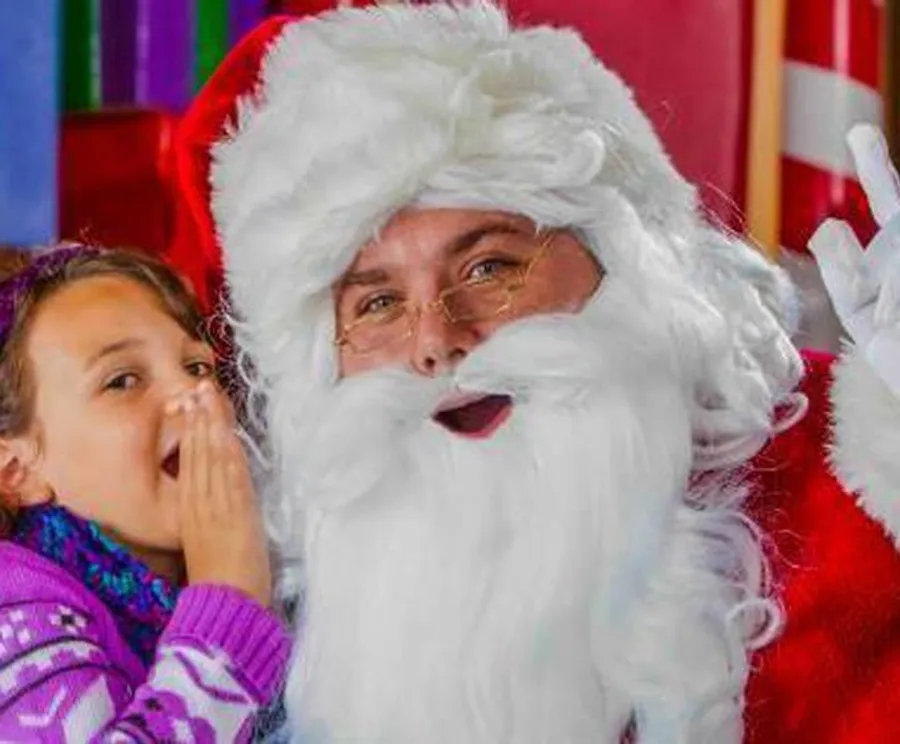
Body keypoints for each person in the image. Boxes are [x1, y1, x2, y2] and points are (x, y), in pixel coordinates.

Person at [170, 2, 900, 742]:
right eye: (379, 302)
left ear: (621, 263)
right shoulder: (247, 628)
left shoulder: (849, 473)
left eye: (490, 267)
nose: (437, 340)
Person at [0, 245, 291, 741]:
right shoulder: (14, 609)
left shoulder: (278, 566)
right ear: (15, 471)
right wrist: (229, 601)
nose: (191, 392)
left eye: (198, 367)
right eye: (123, 380)